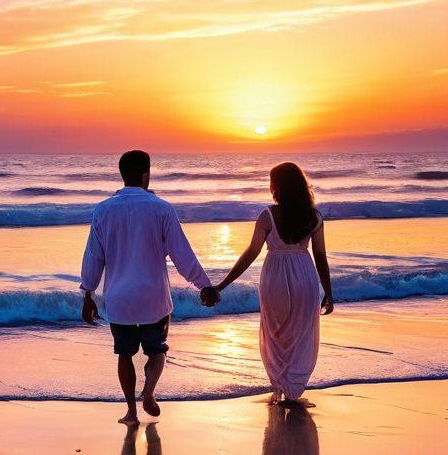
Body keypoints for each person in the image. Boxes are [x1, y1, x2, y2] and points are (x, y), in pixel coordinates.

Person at [80, 149, 219, 425]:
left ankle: (131, 412)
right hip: (154, 298)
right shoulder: (161, 209)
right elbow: (183, 256)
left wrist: (88, 293)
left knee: (124, 354)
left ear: (122, 175)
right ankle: (150, 392)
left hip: (119, 300)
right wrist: (204, 285)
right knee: (157, 351)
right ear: (147, 174)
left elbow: (93, 256)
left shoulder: (103, 210)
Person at [214, 162, 334, 405]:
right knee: (301, 334)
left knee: (275, 334)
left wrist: (222, 285)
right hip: (305, 276)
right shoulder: (314, 217)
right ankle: (293, 390)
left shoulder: (268, 215)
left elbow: (251, 253)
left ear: (278, 187)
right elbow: (320, 256)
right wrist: (328, 292)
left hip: (275, 278)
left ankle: (280, 387)